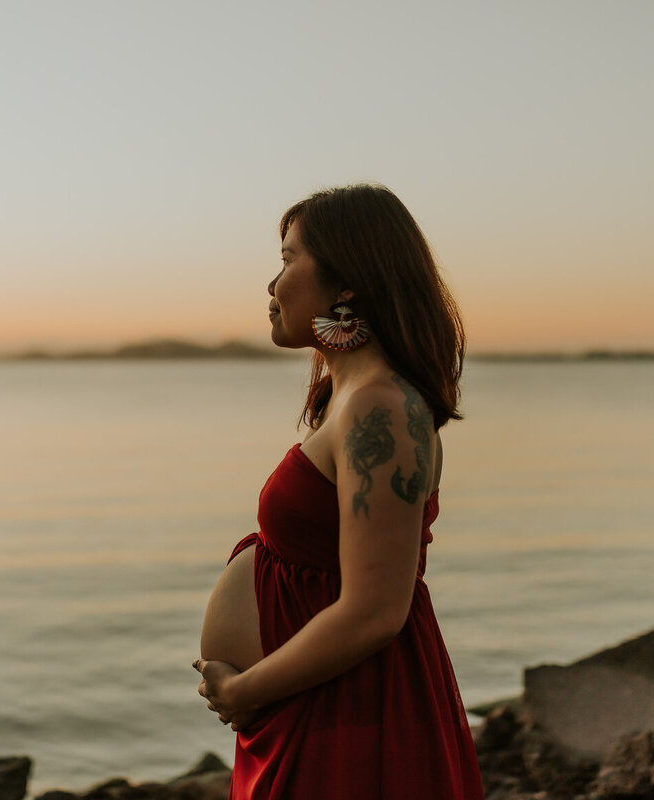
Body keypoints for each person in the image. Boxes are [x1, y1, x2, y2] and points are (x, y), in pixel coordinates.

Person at [194, 184, 485, 799]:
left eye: (287, 259)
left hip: (350, 712)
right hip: (312, 704)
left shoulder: (381, 407)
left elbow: (376, 610)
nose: (272, 286)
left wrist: (243, 690)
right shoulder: (351, 400)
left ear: (346, 280)